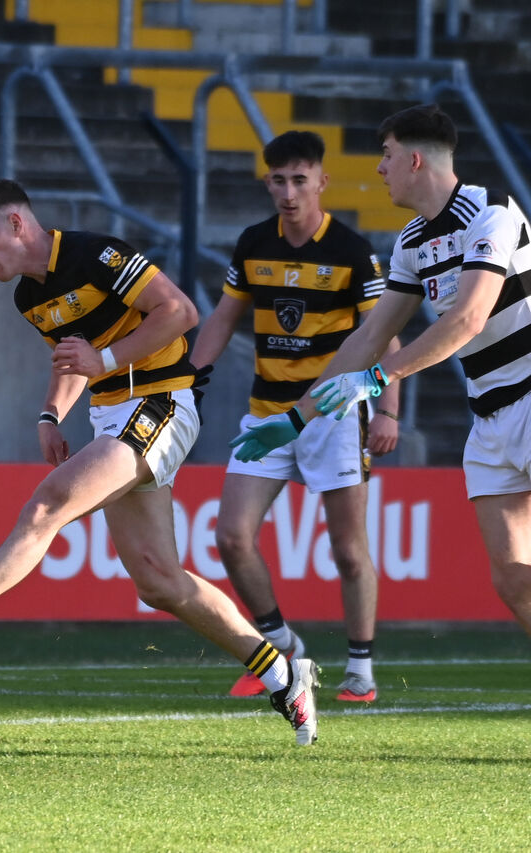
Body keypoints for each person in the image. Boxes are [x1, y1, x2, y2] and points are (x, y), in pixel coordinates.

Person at [0, 178, 320, 745]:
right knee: (159, 582)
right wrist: (51, 416)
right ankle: (282, 671)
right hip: (112, 415)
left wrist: (103, 358)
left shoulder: (93, 253)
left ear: (16, 223)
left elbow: (179, 311)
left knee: (46, 506)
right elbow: (69, 358)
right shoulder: (28, 297)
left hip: (160, 403)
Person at [231, 103, 531, 638]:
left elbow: (466, 319)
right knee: (512, 580)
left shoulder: (493, 213)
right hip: (488, 421)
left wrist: (376, 380)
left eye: (386, 155)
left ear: (415, 160)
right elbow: (367, 337)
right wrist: (298, 417)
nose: (378, 167)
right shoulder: (412, 242)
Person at [190, 130, 401, 704]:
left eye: (300, 179)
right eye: (278, 180)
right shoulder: (253, 243)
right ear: (267, 183)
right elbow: (222, 318)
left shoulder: (354, 252)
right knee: (231, 537)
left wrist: (388, 410)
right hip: (267, 412)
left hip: (335, 416)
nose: (289, 192)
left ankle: (361, 671)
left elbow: (385, 335)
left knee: (348, 551)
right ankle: (281, 645)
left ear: (322, 182)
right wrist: (188, 385)